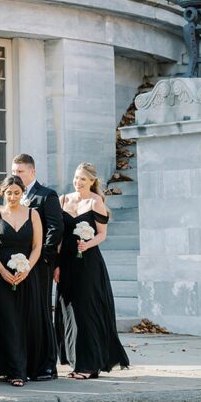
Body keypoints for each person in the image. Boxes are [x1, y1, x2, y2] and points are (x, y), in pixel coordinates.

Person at [56, 162, 130, 379]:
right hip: (67, 262)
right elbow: (60, 238)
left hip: (88, 263)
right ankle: (76, 361)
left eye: (83, 179)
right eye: (76, 178)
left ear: (92, 182)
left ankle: (89, 366)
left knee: (86, 312)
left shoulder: (96, 201)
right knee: (69, 311)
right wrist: (57, 264)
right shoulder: (63, 200)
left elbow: (102, 234)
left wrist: (87, 244)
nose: (78, 182)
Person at [0, 175, 48, 386]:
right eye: (9, 193)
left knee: (25, 321)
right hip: (0, 276)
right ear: (3, 193)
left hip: (26, 275)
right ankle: (15, 371)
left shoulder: (33, 214)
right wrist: (2, 270)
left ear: (22, 193)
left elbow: (37, 245)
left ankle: (27, 367)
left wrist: (27, 268)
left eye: (17, 193)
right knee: (8, 322)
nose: (12, 196)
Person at [10, 153, 63, 380]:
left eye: (20, 172)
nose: (16, 176)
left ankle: (47, 365)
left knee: (41, 312)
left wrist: (43, 259)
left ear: (32, 172)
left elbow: (55, 228)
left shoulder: (45, 196)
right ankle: (25, 362)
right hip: (16, 264)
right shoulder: (12, 195)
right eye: (14, 172)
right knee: (23, 313)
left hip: (39, 264)